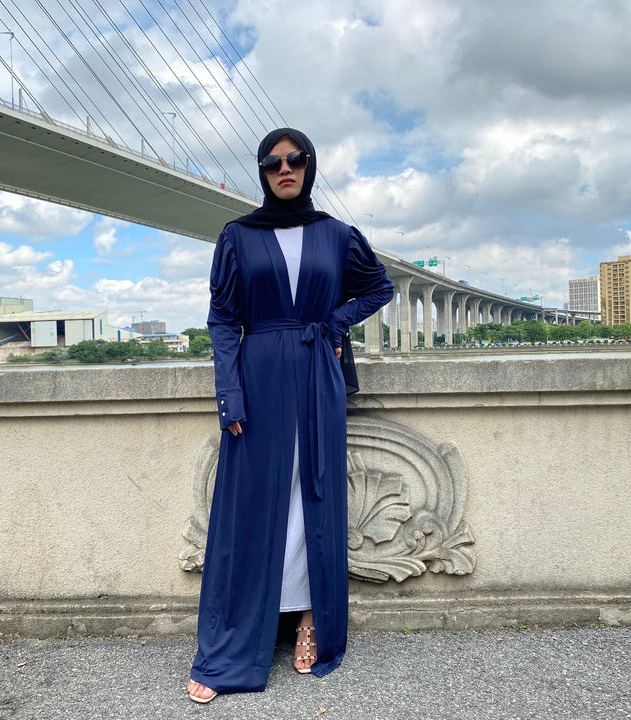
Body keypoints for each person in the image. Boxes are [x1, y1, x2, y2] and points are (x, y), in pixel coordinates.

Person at [187, 128, 394, 703]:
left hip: (316, 374)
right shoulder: (238, 236)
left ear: (309, 166)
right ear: (261, 171)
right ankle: (238, 638)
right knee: (254, 502)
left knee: (313, 492)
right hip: (256, 378)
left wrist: (334, 322)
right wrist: (228, 392)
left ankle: (309, 620)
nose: (285, 169)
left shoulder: (337, 234)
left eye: (296, 160)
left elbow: (378, 287)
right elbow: (223, 319)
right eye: (273, 162)